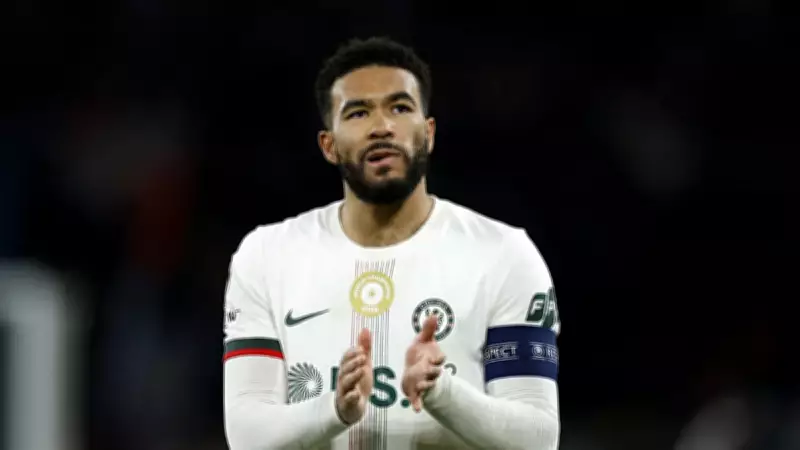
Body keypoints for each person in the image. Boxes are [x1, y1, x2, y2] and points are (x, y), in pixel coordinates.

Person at [222, 36, 561, 450]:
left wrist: (443, 393)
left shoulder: (503, 255)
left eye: (400, 108)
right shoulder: (266, 256)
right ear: (329, 145)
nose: (382, 126)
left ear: (428, 133)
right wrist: (334, 409)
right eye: (358, 112)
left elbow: (538, 437)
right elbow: (246, 435)